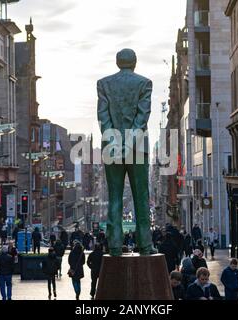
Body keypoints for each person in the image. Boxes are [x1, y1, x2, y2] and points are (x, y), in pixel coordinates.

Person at [97, 48, 157, 256]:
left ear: (117, 62)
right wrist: (129, 142)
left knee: (114, 196)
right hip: (137, 147)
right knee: (141, 196)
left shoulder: (104, 84)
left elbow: (103, 118)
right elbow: (143, 116)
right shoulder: (144, 83)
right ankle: (145, 245)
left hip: (111, 145)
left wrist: (115, 141)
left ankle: (114, 245)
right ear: (135, 62)